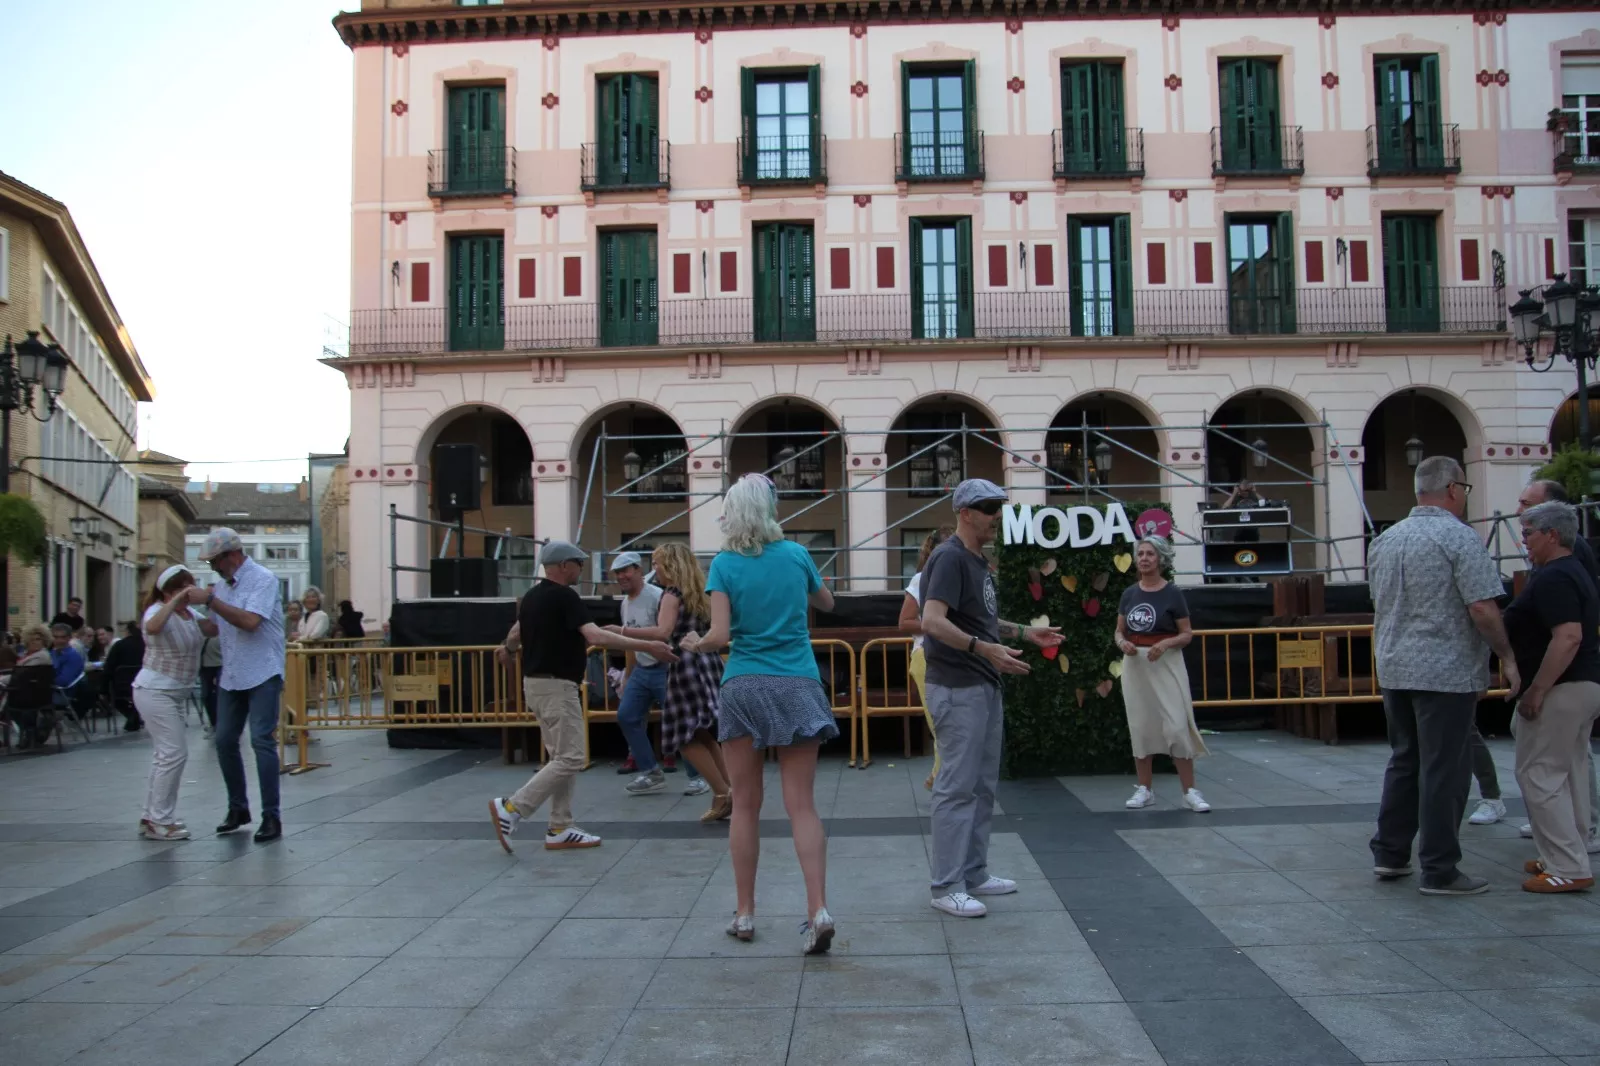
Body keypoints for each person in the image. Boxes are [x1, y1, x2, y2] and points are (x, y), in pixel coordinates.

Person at [675, 474, 837, 953]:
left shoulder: (723, 564)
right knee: (801, 805)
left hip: (744, 683)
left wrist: (696, 642)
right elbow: (827, 602)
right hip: (798, 682)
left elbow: (720, 635)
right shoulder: (797, 555)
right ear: (770, 510)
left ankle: (745, 914)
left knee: (744, 804)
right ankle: (818, 910)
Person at [1367, 456, 1520, 896]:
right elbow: (1482, 607)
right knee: (1445, 769)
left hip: (1395, 665)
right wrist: (1506, 656)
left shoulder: (1386, 540)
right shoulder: (1460, 538)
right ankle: (1440, 868)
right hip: (1445, 670)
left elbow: (1379, 600)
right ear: (1454, 489)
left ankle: (1390, 854)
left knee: (1404, 760)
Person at [917, 479, 1063, 919]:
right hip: (958, 686)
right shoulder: (949, 558)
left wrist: (1022, 633)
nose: (996, 514)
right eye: (987, 507)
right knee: (957, 789)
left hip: (979, 684)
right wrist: (983, 649)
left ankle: (974, 873)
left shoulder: (976, 561)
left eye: (999, 505)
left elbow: (979, 620)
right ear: (964, 512)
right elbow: (931, 621)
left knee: (981, 787)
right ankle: (947, 885)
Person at [490, 541, 676, 854]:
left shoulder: (533, 597)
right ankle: (512, 808)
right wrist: (648, 647)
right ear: (564, 565)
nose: (581, 568)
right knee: (572, 758)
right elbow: (595, 636)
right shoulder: (565, 596)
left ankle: (560, 826)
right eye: (578, 562)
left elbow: (514, 635)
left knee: (560, 757)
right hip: (557, 688)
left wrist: (507, 651)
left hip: (535, 686)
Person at [1504, 501, 1600, 892]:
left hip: (1562, 688)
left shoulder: (1555, 577)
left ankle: (1567, 866)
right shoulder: (1571, 572)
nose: (1524, 540)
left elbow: (1568, 636)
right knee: (1569, 772)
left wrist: (1537, 690)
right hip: (1581, 687)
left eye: (1528, 533)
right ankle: (1566, 853)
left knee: (1540, 774)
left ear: (1551, 535)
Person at [617, 542, 732, 821]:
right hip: (706, 662)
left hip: (684, 666)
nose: (654, 569)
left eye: (657, 563)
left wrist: (621, 631)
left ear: (670, 565)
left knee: (684, 735)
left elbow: (663, 631)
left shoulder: (671, 594)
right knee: (705, 732)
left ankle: (720, 794)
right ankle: (731, 789)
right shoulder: (700, 592)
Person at [198, 527, 288, 844]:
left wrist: (210, 599)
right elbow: (213, 627)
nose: (213, 567)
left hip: (263, 670)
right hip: (233, 673)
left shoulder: (262, 579)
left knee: (262, 740)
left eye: (215, 561)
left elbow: (250, 622)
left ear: (232, 556)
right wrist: (178, 611)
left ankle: (271, 816)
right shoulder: (223, 587)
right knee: (224, 740)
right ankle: (238, 808)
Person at [1116, 535, 1211, 812]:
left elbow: (1186, 634)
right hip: (1136, 666)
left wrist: (1166, 643)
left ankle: (1189, 791)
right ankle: (1145, 789)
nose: (1144, 558)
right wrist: (1122, 643)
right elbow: (1119, 630)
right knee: (1141, 726)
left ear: (1161, 559)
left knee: (1177, 726)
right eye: (1141, 553)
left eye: (1150, 554)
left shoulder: (1172, 594)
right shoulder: (1130, 593)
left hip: (1166, 664)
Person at [136, 566, 217, 842]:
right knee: (174, 754)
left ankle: (151, 816)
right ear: (168, 591)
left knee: (164, 756)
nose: (187, 594)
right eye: (182, 589)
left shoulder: (190, 614)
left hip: (175, 692)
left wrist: (212, 601)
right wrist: (173, 601)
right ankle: (161, 820)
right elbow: (152, 627)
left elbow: (212, 628)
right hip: (155, 689)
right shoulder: (157, 610)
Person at [609, 552, 672, 795]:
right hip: (642, 669)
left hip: (665, 667)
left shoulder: (658, 596)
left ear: (639, 570)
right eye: (617, 573)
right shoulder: (625, 603)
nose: (621, 577)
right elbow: (630, 643)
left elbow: (663, 633)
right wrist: (627, 674)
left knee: (679, 720)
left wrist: (622, 631)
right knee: (626, 716)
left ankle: (697, 776)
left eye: (626, 570)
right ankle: (650, 771)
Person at [900, 526, 953, 790]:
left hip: (952, 657)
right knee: (943, 728)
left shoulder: (960, 576)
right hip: (927, 657)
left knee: (949, 727)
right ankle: (941, 783)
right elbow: (905, 622)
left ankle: (938, 779)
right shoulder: (922, 579)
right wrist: (937, 624)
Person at [101, 621, 146, 731]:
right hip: (144, 684)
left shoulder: (119, 645)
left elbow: (109, 668)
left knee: (112, 698)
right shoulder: (147, 645)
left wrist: (103, 688)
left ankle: (132, 715)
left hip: (121, 686)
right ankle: (134, 715)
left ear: (127, 632)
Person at [199, 635, 221, 738]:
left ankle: (224, 726)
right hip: (205, 667)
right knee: (206, 696)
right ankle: (214, 724)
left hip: (222, 666)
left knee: (222, 697)